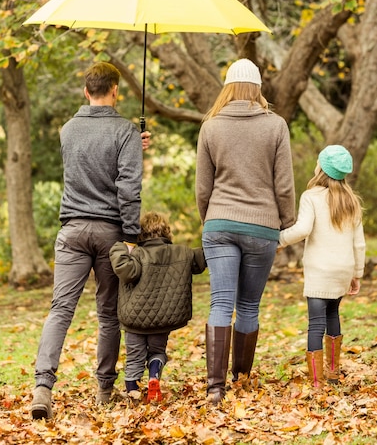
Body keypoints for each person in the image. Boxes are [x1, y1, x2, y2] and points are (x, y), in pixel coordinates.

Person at [31, 61, 151, 420]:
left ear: (86, 91)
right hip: (110, 231)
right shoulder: (125, 131)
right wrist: (131, 236)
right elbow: (127, 187)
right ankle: (104, 388)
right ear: (115, 90)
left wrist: (133, 145)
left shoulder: (68, 129)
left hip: (71, 230)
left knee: (60, 309)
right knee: (108, 313)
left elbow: (90, 162)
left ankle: (42, 387)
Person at [195, 58, 295, 405]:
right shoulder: (276, 126)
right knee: (248, 305)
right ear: (258, 88)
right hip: (261, 226)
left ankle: (214, 389)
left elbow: (202, 189)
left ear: (227, 88)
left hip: (219, 223)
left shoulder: (210, 127)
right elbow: (283, 185)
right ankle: (241, 377)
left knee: (220, 303)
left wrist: (209, 220)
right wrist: (288, 221)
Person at [279, 145, 365, 388]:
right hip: (343, 269)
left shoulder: (312, 196)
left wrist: (280, 239)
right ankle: (334, 373)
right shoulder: (351, 201)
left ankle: (317, 382)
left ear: (322, 169)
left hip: (320, 270)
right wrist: (356, 274)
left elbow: (303, 229)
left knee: (316, 323)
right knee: (333, 315)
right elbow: (358, 243)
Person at [109, 211, 206, 402]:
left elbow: (125, 271)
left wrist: (119, 246)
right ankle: (154, 376)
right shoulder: (183, 253)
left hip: (135, 319)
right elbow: (201, 259)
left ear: (141, 233)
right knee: (157, 352)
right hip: (164, 319)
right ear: (167, 231)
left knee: (135, 356)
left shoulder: (136, 254)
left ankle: (133, 393)